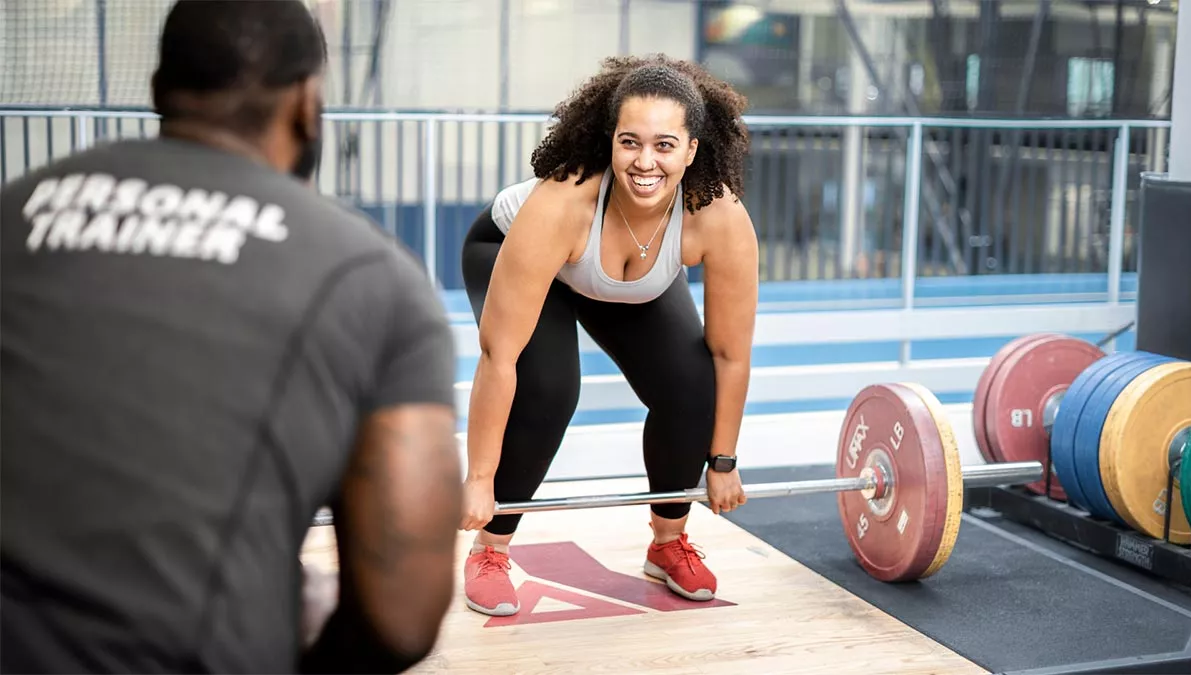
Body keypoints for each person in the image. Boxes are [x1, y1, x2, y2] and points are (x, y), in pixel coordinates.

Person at [0, 1, 462, 673]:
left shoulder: (14, 211)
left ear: (161, 91)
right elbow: (403, 617)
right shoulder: (372, 274)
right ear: (308, 105)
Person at [457, 54, 759, 616]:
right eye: (630, 142)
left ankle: (668, 543)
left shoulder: (717, 215)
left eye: (665, 145)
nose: (646, 162)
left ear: (691, 150)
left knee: (692, 383)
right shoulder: (560, 204)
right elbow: (500, 358)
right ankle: (491, 548)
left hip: (627, 272)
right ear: (610, 141)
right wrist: (479, 479)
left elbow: (729, 353)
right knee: (547, 389)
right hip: (513, 249)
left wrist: (722, 462)